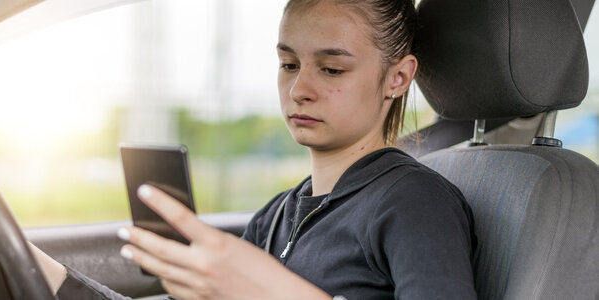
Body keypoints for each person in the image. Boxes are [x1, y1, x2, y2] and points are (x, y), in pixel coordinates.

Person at [33, 0, 478, 299]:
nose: (299, 88)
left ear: (398, 78)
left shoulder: (415, 203)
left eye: (331, 68)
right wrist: (41, 274)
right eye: (288, 64)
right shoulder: (276, 216)